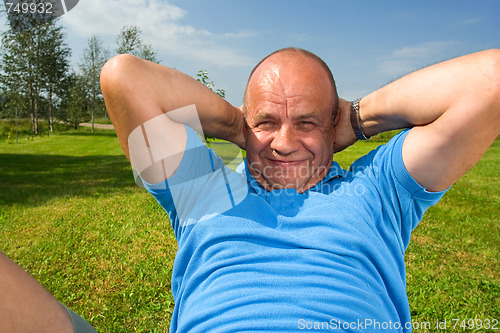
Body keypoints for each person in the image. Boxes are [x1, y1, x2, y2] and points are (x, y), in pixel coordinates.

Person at [1, 48, 498, 332]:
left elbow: (491, 81)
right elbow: (125, 78)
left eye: (307, 122)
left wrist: (358, 119)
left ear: (333, 125)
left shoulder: (378, 191)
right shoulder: (204, 189)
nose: (283, 144)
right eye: (268, 122)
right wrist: (239, 128)